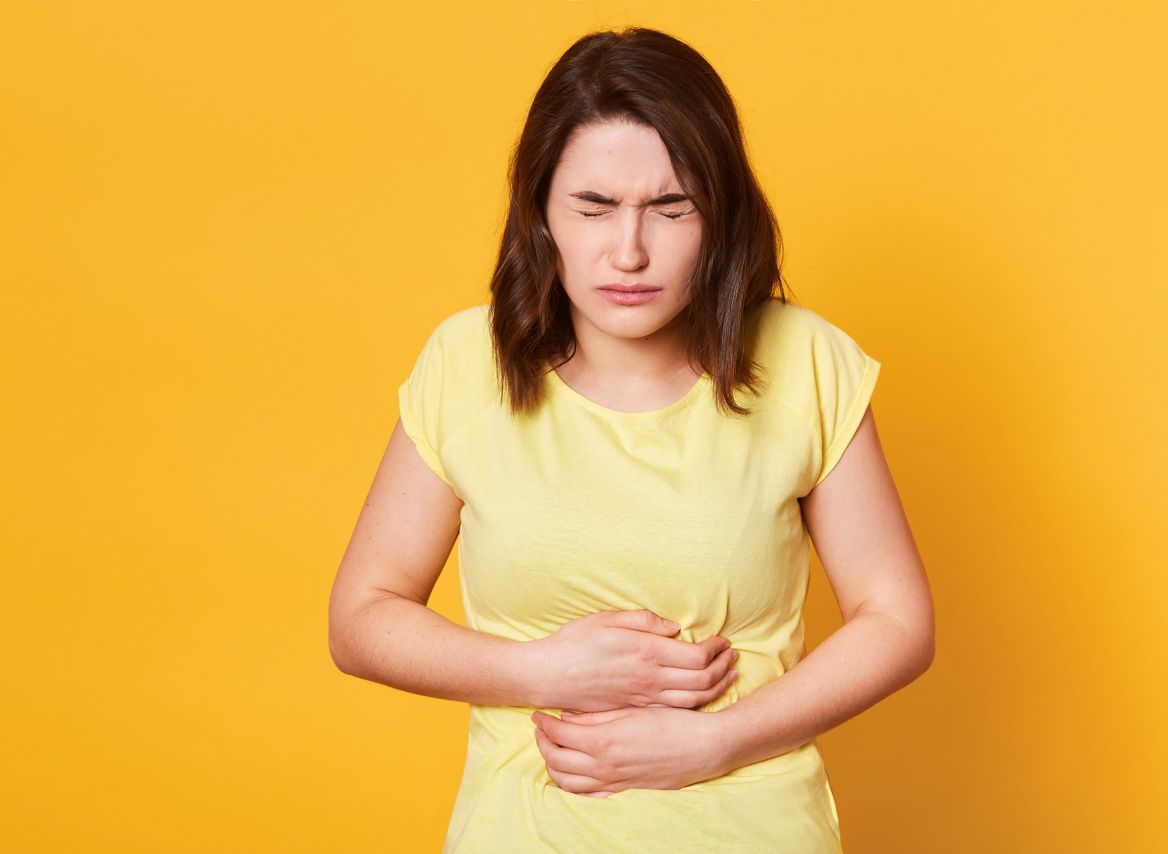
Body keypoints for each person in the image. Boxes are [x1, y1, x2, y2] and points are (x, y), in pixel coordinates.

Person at [328, 26, 935, 853]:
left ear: (719, 214)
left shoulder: (806, 362)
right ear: (541, 211)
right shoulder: (464, 364)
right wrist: (540, 672)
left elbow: (897, 620)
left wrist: (719, 740)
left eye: (670, 207)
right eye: (594, 206)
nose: (630, 250)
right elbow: (360, 618)